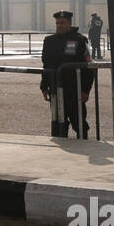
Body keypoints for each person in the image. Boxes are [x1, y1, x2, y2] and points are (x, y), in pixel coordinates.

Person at [40, 10, 95, 138]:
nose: (59, 25)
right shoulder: (49, 41)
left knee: (79, 123)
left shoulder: (80, 40)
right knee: (58, 123)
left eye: (62, 23)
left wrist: (86, 90)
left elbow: (89, 67)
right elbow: (46, 65)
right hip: (55, 89)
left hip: (74, 90)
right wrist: (44, 87)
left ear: (69, 24)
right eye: (57, 23)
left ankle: (83, 145)